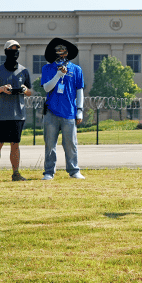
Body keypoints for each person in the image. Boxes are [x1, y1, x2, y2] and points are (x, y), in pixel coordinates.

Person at [0, 40, 33, 182]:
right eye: (11, 49)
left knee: (15, 145)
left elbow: (30, 92)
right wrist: (1, 89)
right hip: (1, 115)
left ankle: (16, 174)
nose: (14, 52)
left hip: (18, 115)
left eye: (17, 50)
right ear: (6, 51)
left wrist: (24, 90)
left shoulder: (24, 71)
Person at [41, 37, 86, 180]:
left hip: (69, 112)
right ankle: (49, 172)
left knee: (71, 144)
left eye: (63, 50)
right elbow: (47, 88)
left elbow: (79, 90)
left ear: (67, 52)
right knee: (50, 144)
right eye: (58, 50)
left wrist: (80, 111)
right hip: (51, 112)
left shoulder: (76, 69)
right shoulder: (47, 68)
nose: (61, 53)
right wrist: (58, 75)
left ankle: (74, 170)